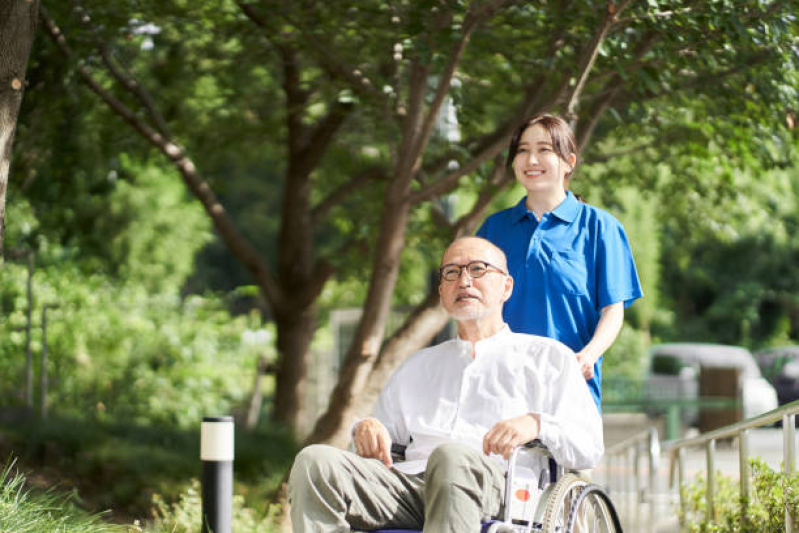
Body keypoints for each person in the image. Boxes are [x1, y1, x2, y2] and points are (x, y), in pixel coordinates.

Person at [288, 237, 603, 533]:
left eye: (478, 269)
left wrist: (537, 423)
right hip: (409, 489)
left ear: (507, 286)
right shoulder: (417, 366)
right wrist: (366, 429)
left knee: (451, 457)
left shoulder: (548, 358)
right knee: (316, 462)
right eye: (451, 273)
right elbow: (381, 444)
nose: (464, 281)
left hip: (499, 487)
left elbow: (588, 447)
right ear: (441, 291)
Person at [477, 114, 643, 411]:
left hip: (569, 387)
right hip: (498, 388)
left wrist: (589, 355)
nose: (531, 159)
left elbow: (613, 310)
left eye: (544, 150)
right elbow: (474, 306)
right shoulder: (493, 229)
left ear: (569, 162)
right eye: (523, 150)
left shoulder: (600, 228)